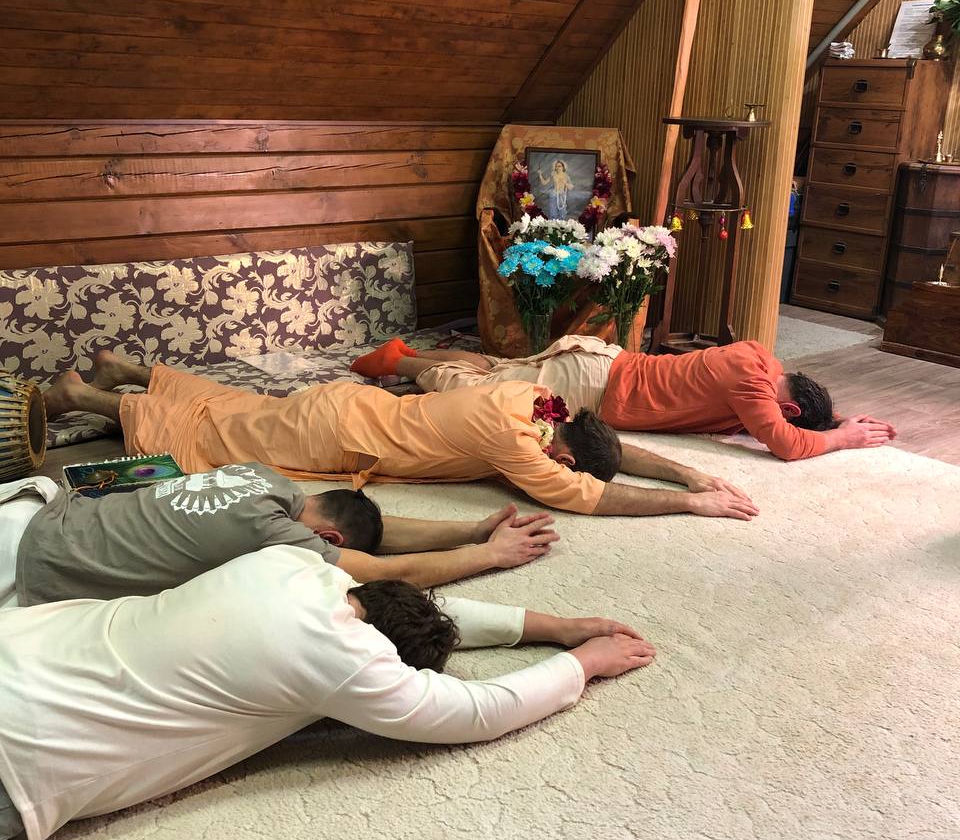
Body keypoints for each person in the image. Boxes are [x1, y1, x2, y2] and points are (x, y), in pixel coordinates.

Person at [0, 545, 656, 840]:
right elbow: (482, 712)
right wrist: (584, 661)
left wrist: (555, 625)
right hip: (22, 760)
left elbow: (421, 603)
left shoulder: (290, 564)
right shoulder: (348, 664)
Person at [42, 351, 757, 521]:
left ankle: (126, 370)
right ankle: (88, 397)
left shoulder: (540, 403)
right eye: (564, 464)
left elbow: (603, 456)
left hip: (349, 408)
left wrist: (687, 472)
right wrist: (688, 503)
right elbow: (593, 497)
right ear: (561, 453)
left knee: (235, 406)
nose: (560, 469)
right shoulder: (518, 446)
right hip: (336, 434)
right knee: (213, 441)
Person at [0, 463, 559, 609]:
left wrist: (470, 528)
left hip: (34, 502)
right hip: (30, 562)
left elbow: (373, 531)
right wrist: (490, 554)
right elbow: (391, 572)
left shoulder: (265, 478)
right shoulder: (281, 539)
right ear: (329, 539)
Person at [353, 335, 897, 464]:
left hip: (602, 366)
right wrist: (843, 439)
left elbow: (787, 420)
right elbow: (784, 443)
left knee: (498, 370)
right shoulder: (752, 387)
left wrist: (837, 420)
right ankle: (396, 363)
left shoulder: (762, 361)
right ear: (790, 407)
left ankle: (407, 353)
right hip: (592, 385)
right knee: (478, 395)